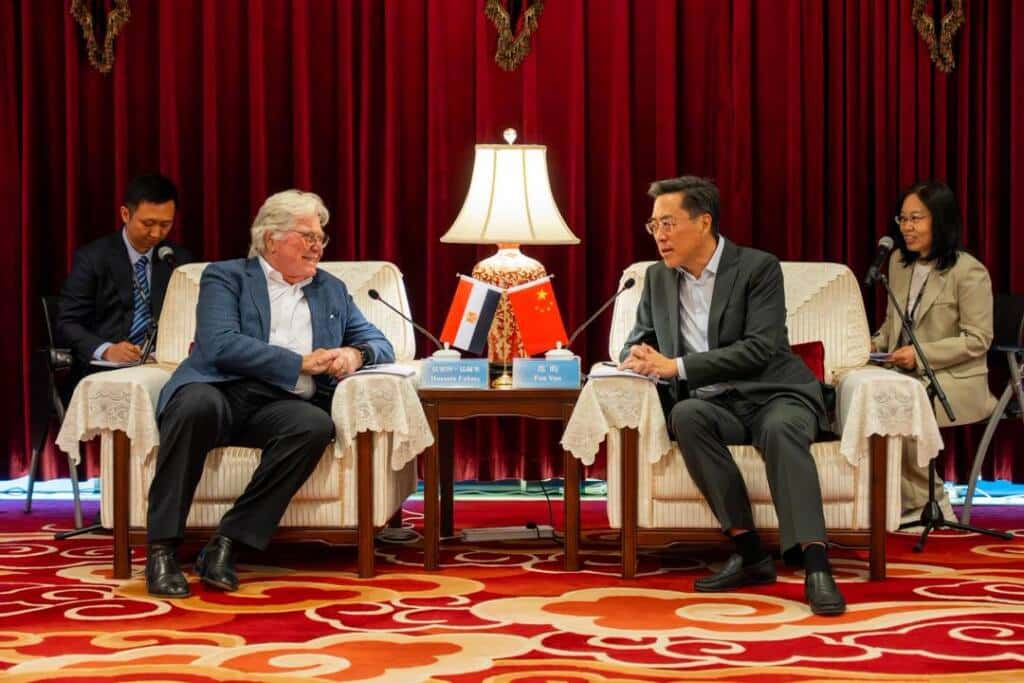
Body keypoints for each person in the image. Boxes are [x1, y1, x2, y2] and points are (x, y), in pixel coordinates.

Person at [144, 189, 395, 598]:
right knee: (193, 406)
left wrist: (356, 353)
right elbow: (219, 344)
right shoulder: (226, 277)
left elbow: (380, 342)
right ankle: (162, 551)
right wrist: (298, 363)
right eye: (307, 236)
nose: (318, 247)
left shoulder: (331, 289)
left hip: (281, 404)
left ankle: (227, 543)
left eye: (321, 238)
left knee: (313, 425)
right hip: (218, 389)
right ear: (270, 239)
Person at [619, 176, 846, 616]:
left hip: (775, 393)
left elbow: (760, 348)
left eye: (668, 223)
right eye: (653, 225)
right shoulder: (656, 278)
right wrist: (637, 356)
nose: (659, 235)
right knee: (687, 415)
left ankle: (817, 566)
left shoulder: (757, 268)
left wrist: (677, 366)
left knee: (781, 430)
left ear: (704, 222)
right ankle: (750, 553)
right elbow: (640, 338)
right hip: (716, 405)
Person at [871, 180, 996, 523]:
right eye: (902, 219)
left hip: (955, 378)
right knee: (863, 394)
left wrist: (920, 354)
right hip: (905, 373)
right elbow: (892, 324)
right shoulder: (899, 263)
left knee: (902, 401)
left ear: (940, 220)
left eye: (916, 218)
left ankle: (933, 505)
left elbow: (977, 339)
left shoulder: (968, 271)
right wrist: (872, 344)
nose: (906, 227)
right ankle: (908, 502)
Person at [57, 173, 193, 386]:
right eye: (148, 223)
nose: (156, 233)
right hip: (104, 370)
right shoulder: (93, 258)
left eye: (165, 224)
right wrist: (106, 350)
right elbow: (67, 323)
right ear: (125, 214)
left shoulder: (175, 260)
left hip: (160, 367)